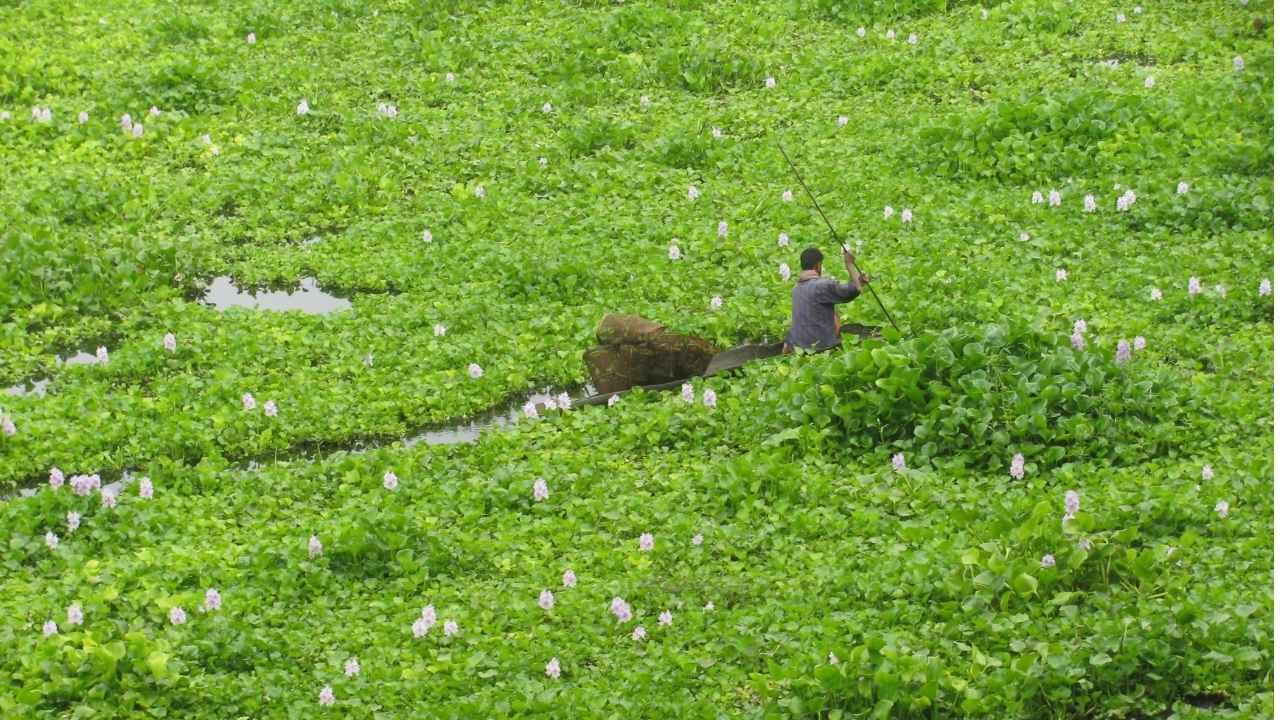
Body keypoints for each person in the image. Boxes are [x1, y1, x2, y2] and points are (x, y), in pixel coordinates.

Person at [783, 246, 870, 353]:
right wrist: (849, 264)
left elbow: (855, 286)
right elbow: (854, 290)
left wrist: (858, 281)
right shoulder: (821, 286)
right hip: (821, 348)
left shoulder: (796, 289)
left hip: (799, 348)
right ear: (818, 265)